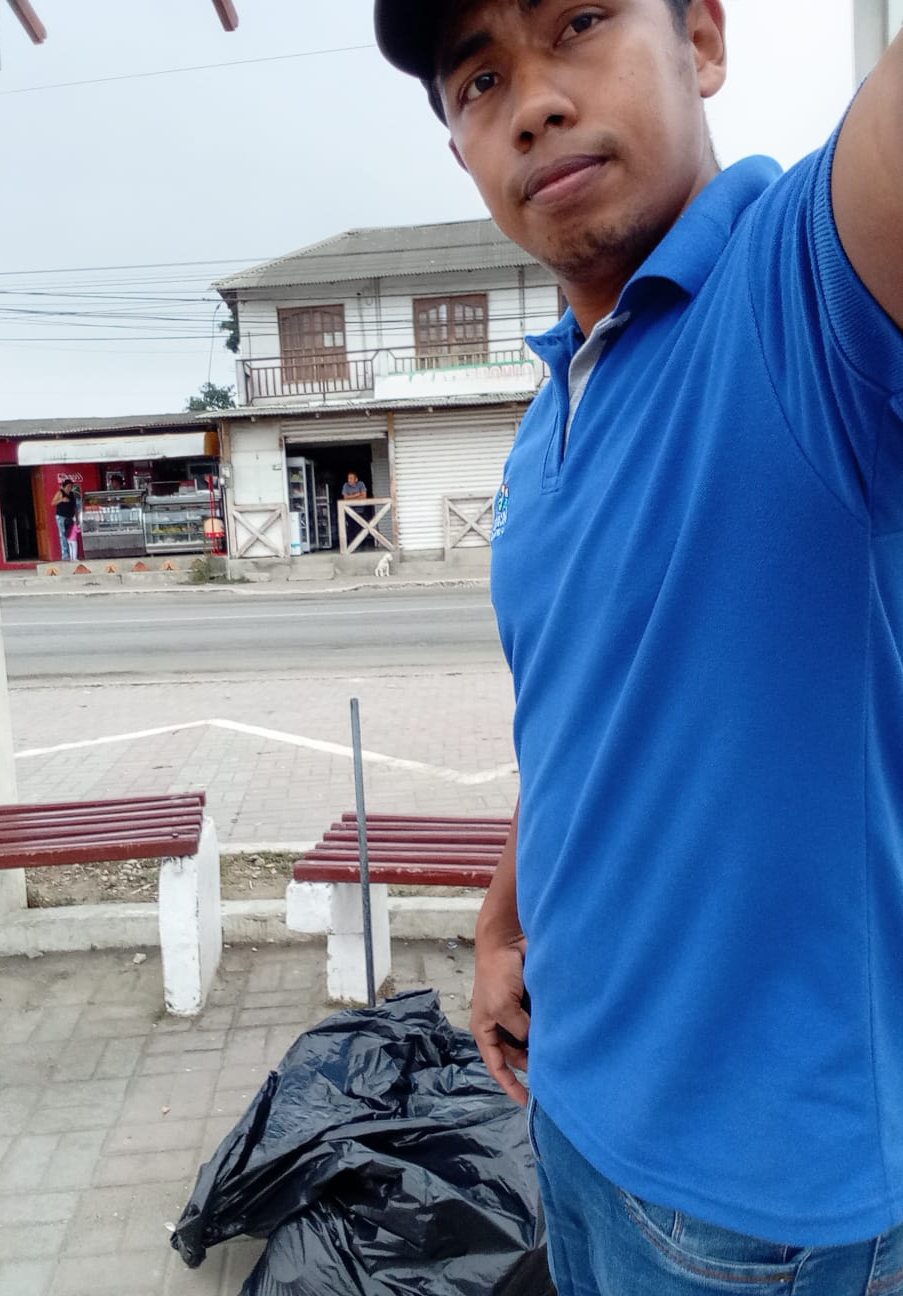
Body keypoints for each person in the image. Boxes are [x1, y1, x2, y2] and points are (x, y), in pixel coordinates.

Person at [376, 4, 903, 1294]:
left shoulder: (803, 296)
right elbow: (577, 715)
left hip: (759, 1213)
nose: (534, 104)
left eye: (578, 21)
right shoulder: (555, 401)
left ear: (703, 41)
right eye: (479, 80)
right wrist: (502, 924)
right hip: (571, 1110)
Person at [51, 478, 78, 561]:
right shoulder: (60, 492)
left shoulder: (72, 494)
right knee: (63, 535)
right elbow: (52, 503)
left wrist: (76, 518)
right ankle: (65, 555)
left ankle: (72, 555)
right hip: (61, 517)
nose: (69, 488)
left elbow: (75, 507)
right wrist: (61, 499)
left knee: (70, 536)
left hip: (70, 517)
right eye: (68, 486)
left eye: (71, 487)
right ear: (64, 486)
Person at [341, 471, 370, 548]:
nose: (349, 480)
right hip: (349, 511)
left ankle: (361, 544)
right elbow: (345, 498)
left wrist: (350, 497)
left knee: (361, 528)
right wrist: (357, 495)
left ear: (356, 479)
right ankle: (352, 546)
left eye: (351, 478)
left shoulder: (361, 484)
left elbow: (364, 497)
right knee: (350, 528)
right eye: (348, 478)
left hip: (360, 510)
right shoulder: (345, 485)